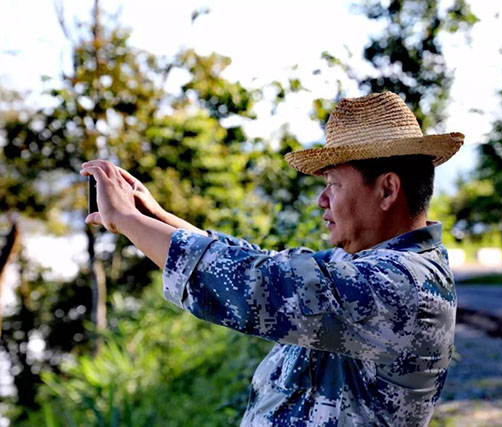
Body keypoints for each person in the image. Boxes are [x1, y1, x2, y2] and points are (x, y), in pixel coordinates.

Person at [80, 92, 464, 426]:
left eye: (332, 183)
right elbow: (268, 265)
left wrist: (129, 222)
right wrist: (157, 218)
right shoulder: (369, 265)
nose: (322, 200)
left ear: (387, 190)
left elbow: (261, 288)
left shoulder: (400, 284)